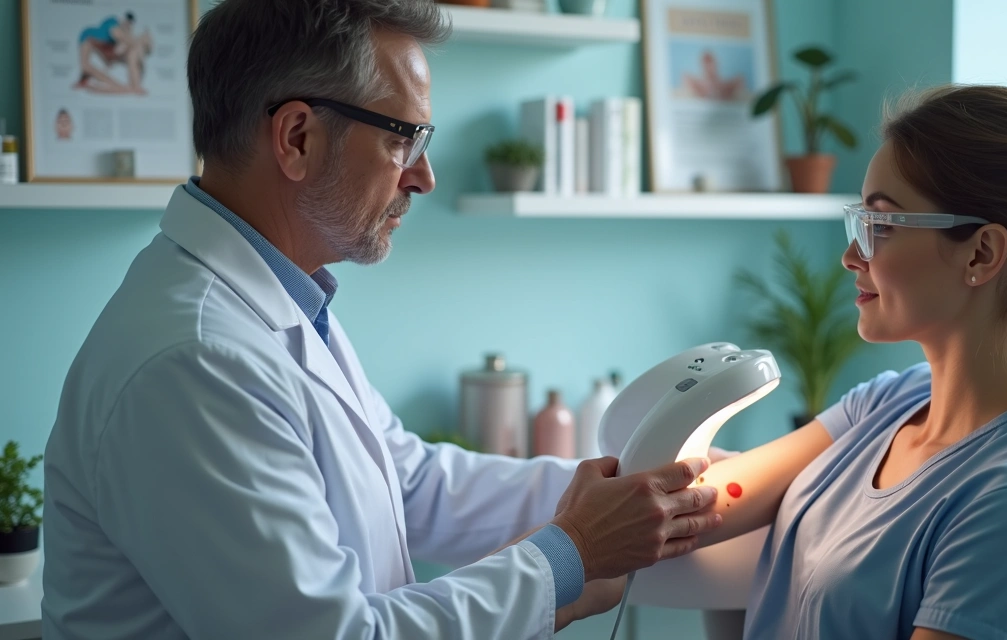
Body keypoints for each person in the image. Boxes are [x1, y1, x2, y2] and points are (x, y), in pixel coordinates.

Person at [41, 1, 723, 638]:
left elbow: (415, 484)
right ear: (298, 137)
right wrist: (570, 554)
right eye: (405, 139)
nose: (424, 177)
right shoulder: (195, 361)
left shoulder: (286, 305)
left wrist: (633, 483)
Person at [677, 84, 1007, 639]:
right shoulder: (890, 401)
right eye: (861, 222)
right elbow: (711, 499)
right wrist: (576, 536)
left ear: (981, 253)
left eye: (882, 225)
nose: (852, 255)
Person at [73, 12, 151, 95]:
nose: (129, 26)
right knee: (86, 65)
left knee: (116, 60)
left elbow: (121, 48)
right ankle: (118, 86)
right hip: (88, 39)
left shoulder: (119, 31)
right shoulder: (115, 28)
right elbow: (126, 41)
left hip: (101, 43)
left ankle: (123, 86)